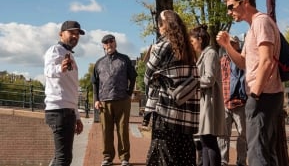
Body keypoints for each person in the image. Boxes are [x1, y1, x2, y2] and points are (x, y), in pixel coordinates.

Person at [216, 0, 283, 166]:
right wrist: (227, 46)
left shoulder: (261, 22)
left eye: (231, 7)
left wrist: (254, 95)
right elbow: (244, 63)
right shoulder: (253, 27)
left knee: (256, 152)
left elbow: (267, 61)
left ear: (245, 3)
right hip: (262, 95)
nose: (229, 12)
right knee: (263, 150)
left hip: (264, 96)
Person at [144, 10, 200, 166]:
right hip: (188, 110)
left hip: (167, 109)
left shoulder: (162, 46)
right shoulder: (188, 47)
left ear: (163, 26)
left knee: (164, 155)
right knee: (185, 154)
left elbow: (147, 78)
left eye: (159, 25)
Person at [92, 34, 137, 166]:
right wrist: (96, 99)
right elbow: (94, 82)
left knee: (123, 130)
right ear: (103, 46)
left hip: (122, 100)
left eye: (111, 42)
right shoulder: (99, 62)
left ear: (115, 43)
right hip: (104, 101)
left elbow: (133, 76)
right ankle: (107, 158)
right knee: (106, 130)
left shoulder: (124, 60)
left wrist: (129, 93)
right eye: (106, 43)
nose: (109, 44)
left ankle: (124, 158)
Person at [44, 20, 84, 166]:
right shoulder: (55, 50)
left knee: (61, 158)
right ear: (61, 34)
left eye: (78, 34)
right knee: (63, 159)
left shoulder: (69, 55)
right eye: (71, 32)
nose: (75, 36)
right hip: (58, 111)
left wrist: (77, 116)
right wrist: (60, 68)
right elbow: (48, 71)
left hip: (67, 111)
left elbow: (70, 89)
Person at [190, 25, 225, 166]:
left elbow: (209, 79)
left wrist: (191, 82)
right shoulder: (206, 53)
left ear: (200, 39)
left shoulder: (210, 53)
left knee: (209, 140)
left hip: (210, 102)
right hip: (205, 102)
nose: (192, 45)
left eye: (192, 41)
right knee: (205, 140)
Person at [217, 36, 247, 166]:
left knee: (242, 134)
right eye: (228, 44)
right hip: (224, 102)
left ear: (237, 45)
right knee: (223, 134)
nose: (228, 45)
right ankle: (223, 161)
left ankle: (241, 161)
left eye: (232, 43)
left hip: (239, 102)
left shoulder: (242, 59)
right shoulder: (222, 60)